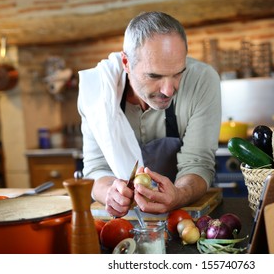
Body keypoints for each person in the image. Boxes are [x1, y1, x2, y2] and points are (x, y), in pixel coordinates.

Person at [77, 11, 221, 217]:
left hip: (183, 215)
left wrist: (179, 194)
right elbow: (95, 169)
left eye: (178, 73)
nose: (168, 90)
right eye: (154, 76)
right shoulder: (96, 91)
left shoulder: (202, 80)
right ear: (126, 63)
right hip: (124, 220)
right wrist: (110, 192)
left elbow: (198, 163)